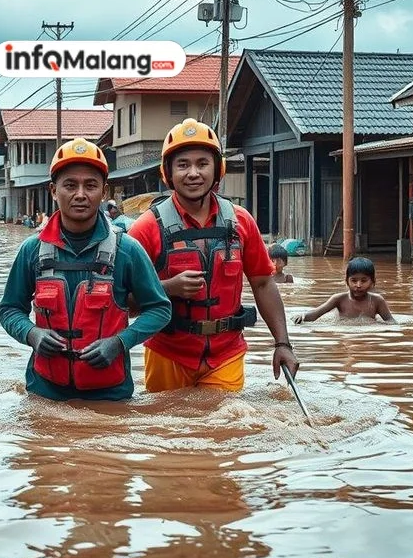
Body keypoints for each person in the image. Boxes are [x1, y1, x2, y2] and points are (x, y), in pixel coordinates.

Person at [127, 118, 299, 392]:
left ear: (218, 169)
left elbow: (263, 283)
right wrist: (168, 288)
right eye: (183, 164)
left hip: (226, 353)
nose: (193, 173)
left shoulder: (241, 221)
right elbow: (122, 300)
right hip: (167, 352)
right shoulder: (146, 228)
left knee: (225, 427)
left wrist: (283, 344)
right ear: (168, 172)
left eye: (202, 163)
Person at [0, 138, 171, 402]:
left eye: (90, 185)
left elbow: (160, 309)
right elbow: (9, 309)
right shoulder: (31, 250)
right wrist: (31, 333)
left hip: (111, 394)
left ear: (104, 192)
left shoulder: (127, 250)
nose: (80, 194)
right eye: (70, 185)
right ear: (53, 190)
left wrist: (120, 343)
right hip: (44, 391)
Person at [294, 257, 393, 324]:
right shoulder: (339, 299)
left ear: (373, 282)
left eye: (364, 280)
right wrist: (303, 317)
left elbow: (390, 321)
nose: (358, 285)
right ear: (346, 281)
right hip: (346, 337)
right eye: (354, 280)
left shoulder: (377, 301)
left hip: (368, 339)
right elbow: (316, 314)